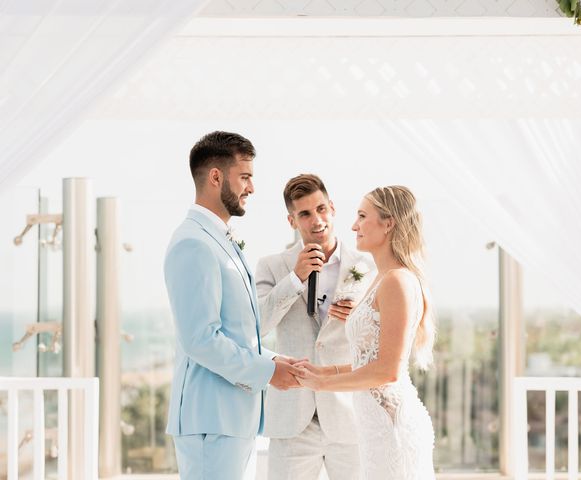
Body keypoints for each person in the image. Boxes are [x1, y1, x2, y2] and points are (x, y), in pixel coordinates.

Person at [164, 131, 304, 480]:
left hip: (231, 420)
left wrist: (271, 360)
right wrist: (267, 373)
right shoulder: (193, 243)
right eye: (245, 177)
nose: (252, 188)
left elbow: (234, 329)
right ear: (215, 177)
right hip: (211, 422)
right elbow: (201, 339)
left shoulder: (216, 237)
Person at [295, 185, 436, 480]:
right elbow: (369, 360)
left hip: (391, 426)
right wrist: (324, 372)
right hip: (375, 428)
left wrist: (324, 386)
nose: (353, 226)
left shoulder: (397, 281)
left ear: (388, 223)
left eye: (362, 216)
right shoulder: (382, 278)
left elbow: (387, 371)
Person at [256, 174, 375, 479]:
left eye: (321, 209)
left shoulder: (367, 266)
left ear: (332, 208)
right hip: (293, 417)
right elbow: (258, 324)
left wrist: (359, 316)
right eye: (305, 214)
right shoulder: (272, 266)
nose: (316, 220)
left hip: (348, 413)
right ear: (291, 220)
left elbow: (383, 333)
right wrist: (294, 278)